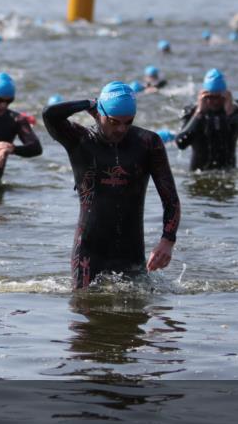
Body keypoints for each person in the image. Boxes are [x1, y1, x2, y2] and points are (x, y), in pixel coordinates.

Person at [43, 81, 180, 290]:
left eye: (128, 122)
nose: (121, 129)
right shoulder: (80, 140)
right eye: (114, 121)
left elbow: (169, 197)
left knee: (136, 316)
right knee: (83, 311)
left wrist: (167, 240)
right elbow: (50, 114)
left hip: (131, 250)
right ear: (99, 113)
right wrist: (89, 103)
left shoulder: (148, 143)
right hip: (89, 251)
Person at [176, 68, 238, 171]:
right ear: (202, 95)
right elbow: (180, 143)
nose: (215, 102)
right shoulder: (191, 111)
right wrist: (199, 113)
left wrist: (231, 113)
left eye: (219, 97)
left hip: (229, 174)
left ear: (226, 95)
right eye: (210, 97)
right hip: (198, 174)